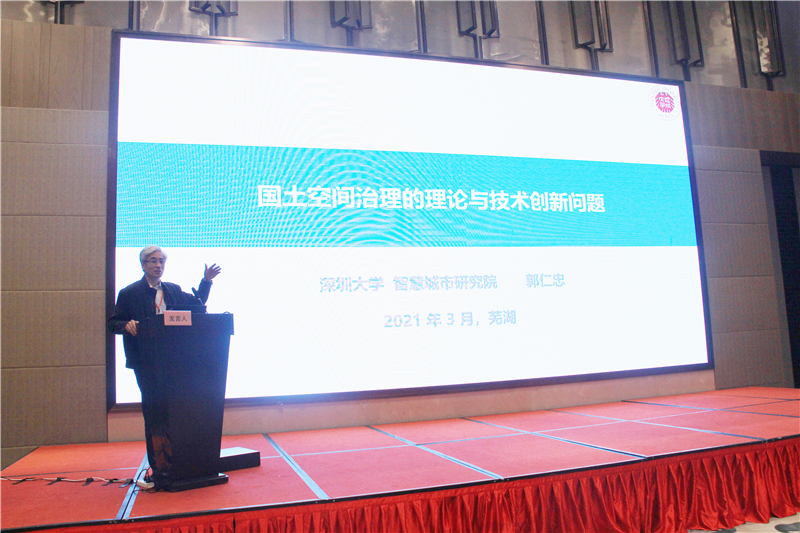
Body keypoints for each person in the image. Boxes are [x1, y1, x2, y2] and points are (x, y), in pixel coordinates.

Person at [108, 245, 221, 488]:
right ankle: (158, 467)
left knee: (176, 412)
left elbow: (197, 305)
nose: (158, 265)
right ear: (143, 265)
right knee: (155, 413)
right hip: (146, 363)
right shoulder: (130, 293)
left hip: (175, 362)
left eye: (161, 261)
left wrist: (206, 281)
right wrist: (126, 324)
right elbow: (113, 322)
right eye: (152, 261)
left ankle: (179, 463)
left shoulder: (172, 290)